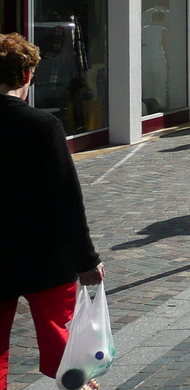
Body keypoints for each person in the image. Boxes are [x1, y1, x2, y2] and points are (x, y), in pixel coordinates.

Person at [1, 33, 105, 390]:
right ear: (28, 76)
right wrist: (87, 260)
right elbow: (67, 199)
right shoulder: (43, 126)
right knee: (64, 347)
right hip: (45, 256)